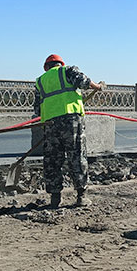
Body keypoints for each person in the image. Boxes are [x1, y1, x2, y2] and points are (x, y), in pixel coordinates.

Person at [33, 54, 103, 208]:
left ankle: (55, 198)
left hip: (50, 124)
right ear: (60, 64)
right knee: (77, 156)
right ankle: (81, 196)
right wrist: (97, 86)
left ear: (46, 68)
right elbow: (83, 82)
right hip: (71, 121)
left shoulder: (40, 81)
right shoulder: (67, 70)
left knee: (52, 160)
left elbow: (37, 109)